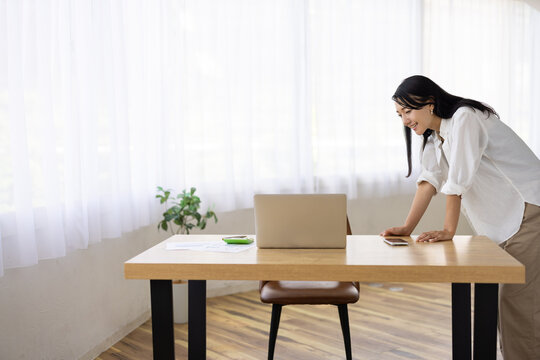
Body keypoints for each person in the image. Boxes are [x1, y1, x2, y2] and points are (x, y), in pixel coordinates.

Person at [380, 75, 540, 359]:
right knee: (506, 305)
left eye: (408, 111)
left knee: (516, 304)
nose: (404, 120)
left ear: (429, 104)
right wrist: (407, 227)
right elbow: (430, 180)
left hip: (528, 211)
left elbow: (458, 180)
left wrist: (447, 229)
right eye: (399, 114)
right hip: (501, 222)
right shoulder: (434, 137)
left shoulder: (465, 118)